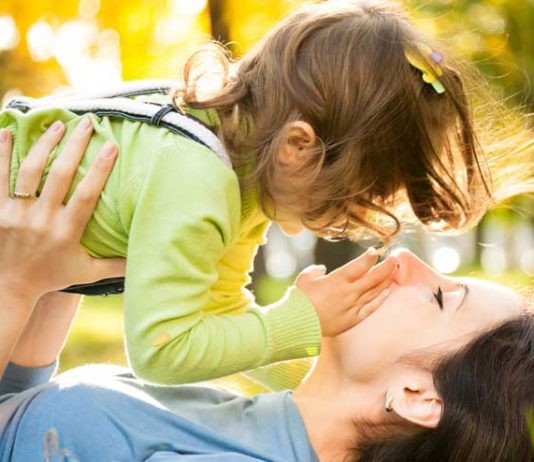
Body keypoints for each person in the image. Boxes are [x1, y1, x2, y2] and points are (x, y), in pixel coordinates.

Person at [4, 0, 534, 389]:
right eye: (354, 195)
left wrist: (340, 375)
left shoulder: (241, 183)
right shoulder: (197, 180)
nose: (346, 223)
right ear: (298, 147)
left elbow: (224, 311)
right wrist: (300, 319)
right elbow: (162, 350)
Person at [1, 120, 533, 462]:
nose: (406, 260)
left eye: (441, 297)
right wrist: (62, 267)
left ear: (417, 398)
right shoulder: (239, 419)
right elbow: (23, 420)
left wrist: (17, 286)